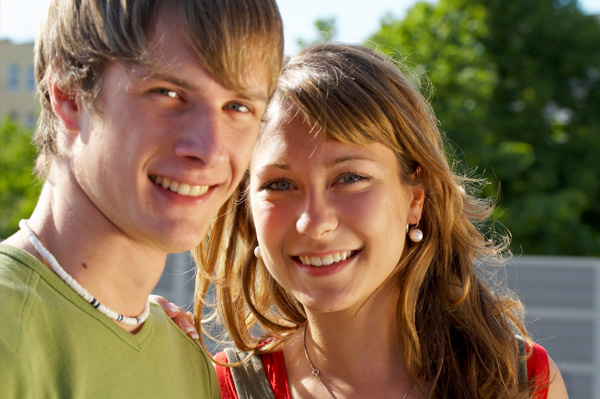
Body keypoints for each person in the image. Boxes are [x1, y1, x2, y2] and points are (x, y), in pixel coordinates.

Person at [189, 43, 568, 399]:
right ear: (248, 211)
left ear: (415, 199)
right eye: (280, 184)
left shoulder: (521, 380)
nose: (314, 223)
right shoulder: (212, 387)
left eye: (350, 178)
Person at [0, 0, 283, 397]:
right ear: (68, 93)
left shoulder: (190, 360)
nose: (211, 149)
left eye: (237, 106)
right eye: (167, 93)